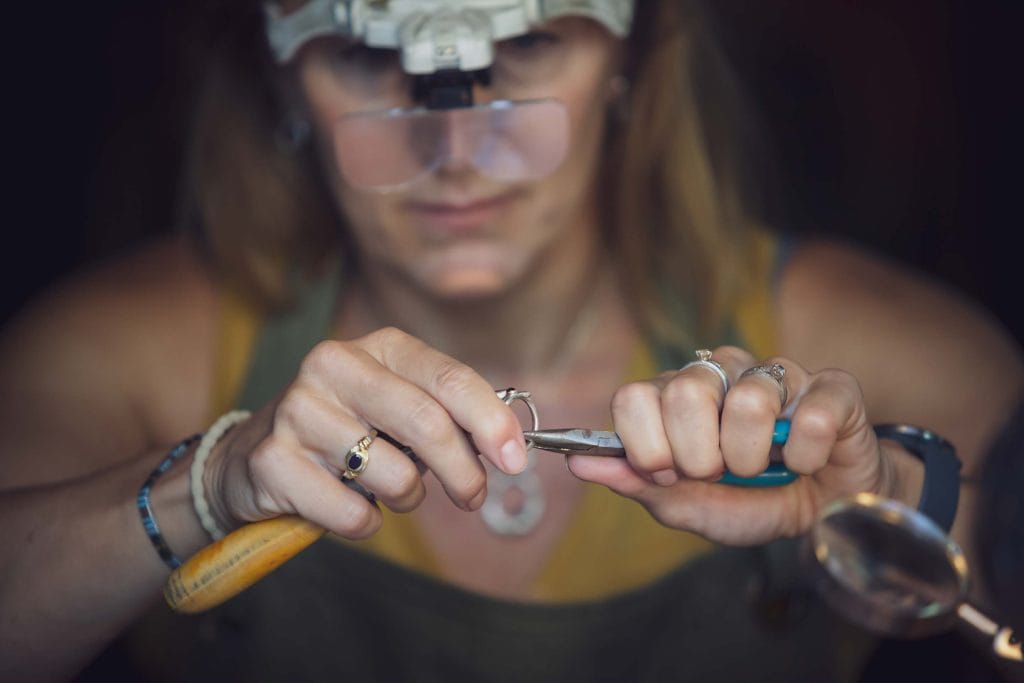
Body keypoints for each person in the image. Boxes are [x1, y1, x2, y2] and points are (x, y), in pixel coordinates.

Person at [1, 1, 1021, 681]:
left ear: (629, 58)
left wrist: (883, 493)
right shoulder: (122, 351)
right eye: (365, 55)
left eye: (526, 46)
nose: (455, 150)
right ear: (282, 81)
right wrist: (210, 482)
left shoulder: (877, 340)